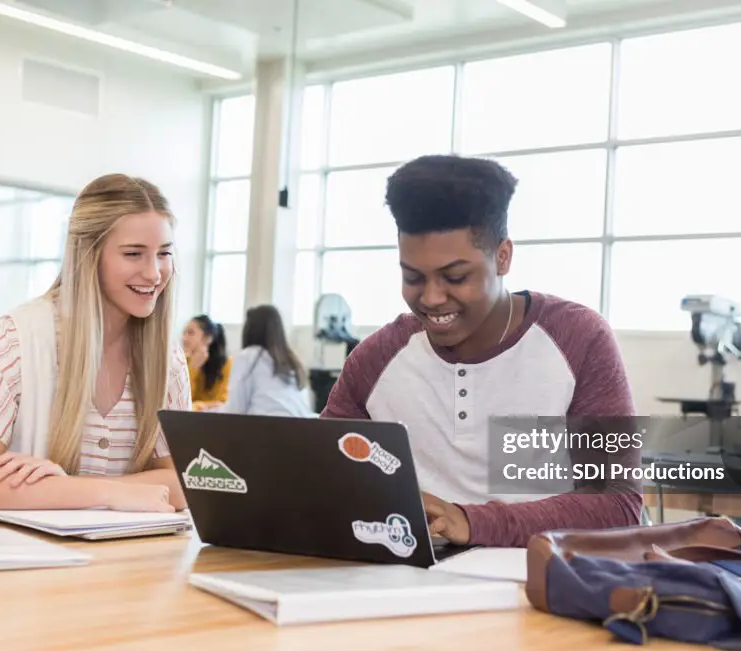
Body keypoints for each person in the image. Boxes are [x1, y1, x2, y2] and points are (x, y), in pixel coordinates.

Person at [320, 154, 642, 548]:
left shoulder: (577, 339)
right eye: (412, 277)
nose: (432, 298)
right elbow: (325, 477)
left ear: (502, 257)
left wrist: (473, 522)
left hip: (535, 586)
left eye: (456, 277)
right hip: (405, 582)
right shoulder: (376, 358)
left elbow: (619, 503)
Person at [0, 174, 191, 524]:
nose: (153, 273)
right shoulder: (15, 339)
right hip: (12, 561)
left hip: (118, 560)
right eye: (134, 254)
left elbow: (183, 483)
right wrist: (111, 493)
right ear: (88, 254)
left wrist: (65, 487)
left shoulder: (169, 361)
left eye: (164, 254)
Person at [221, 304, 314, 418]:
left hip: (267, 429)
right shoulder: (294, 362)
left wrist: (212, 411)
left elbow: (235, 410)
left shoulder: (248, 357)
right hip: (304, 430)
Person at [182, 314, 231, 409]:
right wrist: (192, 368)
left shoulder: (226, 363)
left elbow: (221, 404)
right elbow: (182, 400)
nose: (184, 338)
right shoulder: (183, 361)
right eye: (184, 333)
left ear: (208, 338)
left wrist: (195, 406)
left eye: (190, 333)